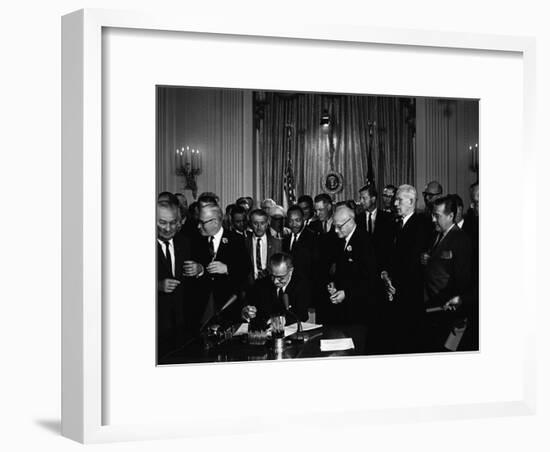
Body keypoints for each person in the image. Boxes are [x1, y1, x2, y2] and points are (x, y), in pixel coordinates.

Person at [182, 204, 250, 333]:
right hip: (202, 308)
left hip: (228, 307)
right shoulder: (195, 241)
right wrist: (200, 270)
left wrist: (228, 268)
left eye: (202, 223)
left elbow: (246, 270)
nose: (198, 226)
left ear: (215, 222)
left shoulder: (236, 240)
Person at [381, 184, 432, 353]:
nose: (395, 203)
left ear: (411, 201)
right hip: (393, 291)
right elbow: (389, 255)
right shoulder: (394, 224)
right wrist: (386, 275)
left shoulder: (421, 224)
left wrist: (396, 286)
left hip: (410, 294)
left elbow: (413, 262)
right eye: (395, 199)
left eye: (399, 200)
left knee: (409, 341)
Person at [422, 196, 472, 352]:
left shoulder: (461, 240)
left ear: (451, 216)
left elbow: (463, 280)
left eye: (437, 215)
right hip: (431, 309)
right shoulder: (437, 235)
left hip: (445, 313)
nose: (433, 219)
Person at [156, 201, 192, 359]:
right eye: (162, 222)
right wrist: (156, 286)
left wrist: (199, 270)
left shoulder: (185, 242)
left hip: (181, 324)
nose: (168, 228)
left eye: (172, 223)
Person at [242, 252, 309, 325]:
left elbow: (303, 315)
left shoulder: (301, 284)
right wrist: (247, 313)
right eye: (273, 276)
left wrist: (280, 320)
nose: (275, 281)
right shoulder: (261, 284)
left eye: (281, 278)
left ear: (290, 271)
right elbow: (249, 308)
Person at [244, 209, 282, 283]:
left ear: (267, 223)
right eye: (255, 223)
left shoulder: (277, 243)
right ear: (250, 224)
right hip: (250, 287)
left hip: (271, 286)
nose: (259, 227)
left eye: (262, 223)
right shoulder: (244, 242)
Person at [282, 205, 317, 280]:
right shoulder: (285, 240)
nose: (294, 224)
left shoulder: (314, 238)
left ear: (304, 218)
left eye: (297, 220)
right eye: (291, 221)